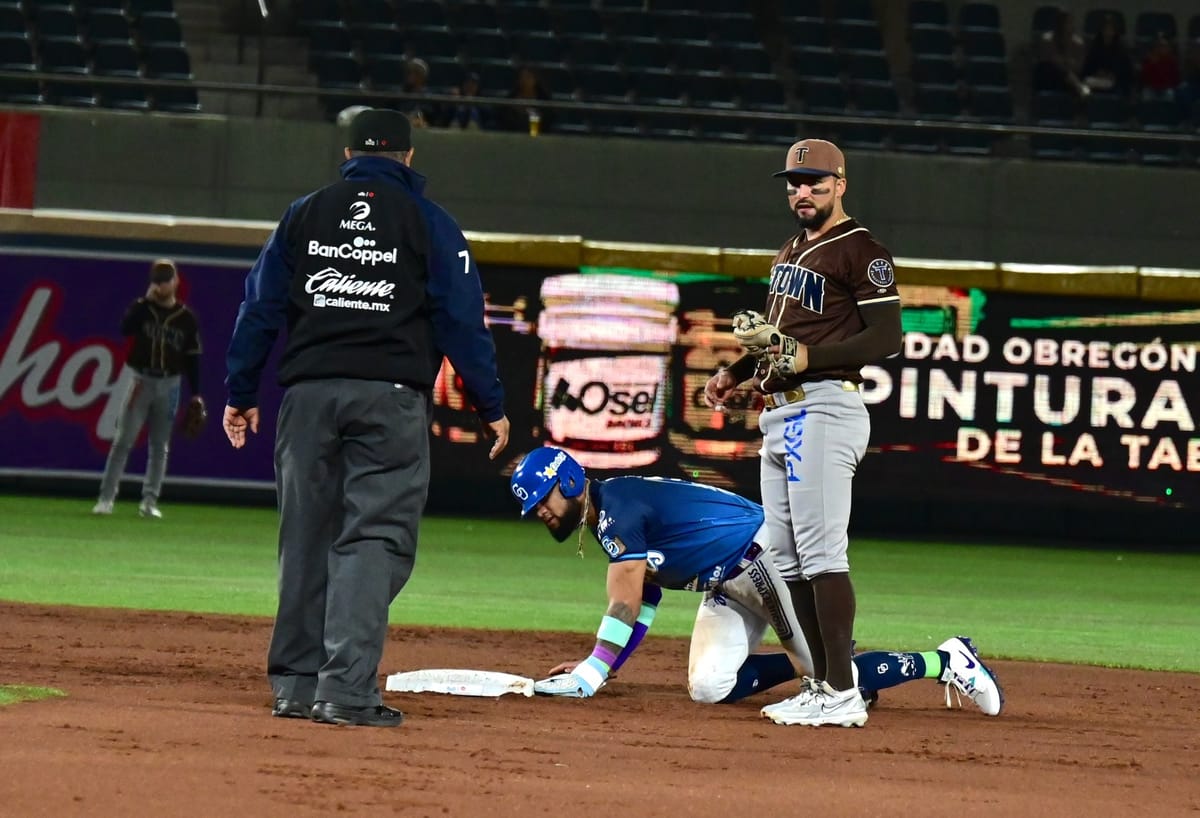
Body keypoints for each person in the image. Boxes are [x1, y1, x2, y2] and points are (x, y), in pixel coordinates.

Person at [223, 108, 510, 728]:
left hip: (307, 398)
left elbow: (260, 307)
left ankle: (296, 686)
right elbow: (462, 321)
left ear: (348, 155)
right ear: (409, 157)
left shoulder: (304, 213)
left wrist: (241, 389)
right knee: (373, 539)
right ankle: (346, 692)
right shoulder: (431, 222)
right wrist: (489, 403)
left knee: (305, 538)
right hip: (390, 400)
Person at [511, 447, 1003, 727]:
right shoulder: (608, 515)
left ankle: (947, 660)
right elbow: (645, 598)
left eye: (542, 499)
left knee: (833, 684)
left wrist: (591, 673)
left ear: (568, 482)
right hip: (726, 582)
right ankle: (815, 660)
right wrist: (604, 664)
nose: (540, 512)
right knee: (709, 688)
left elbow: (623, 603)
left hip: (762, 559)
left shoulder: (618, 511)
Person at [703, 139, 902, 726]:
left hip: (825, 408)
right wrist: (739, 371)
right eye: (795, 182)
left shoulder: (861, 250)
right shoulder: (791, 249)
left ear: (841, 185)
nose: (803, 191)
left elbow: (886, 336)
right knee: (787, 560)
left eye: (816, 182)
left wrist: (808, 358)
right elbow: (782, 339)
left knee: (820, 555)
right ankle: (821, 683)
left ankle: (842, 690)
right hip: (782, 412)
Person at [92, 259, 203, 520]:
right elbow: (125, 329)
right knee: (123, 441)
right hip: (141, 380)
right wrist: (143, 302)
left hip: (170, 383)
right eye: (158, 280)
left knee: (160, 445)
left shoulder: (186, 318)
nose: (162, 285)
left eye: (166, 280)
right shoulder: (142, 309)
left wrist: (195, 392)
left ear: (175, 281)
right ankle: (106, 499)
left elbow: (192, 356)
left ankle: (149, 502)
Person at [1033, 9, 1089, 97]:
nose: (1070, 26)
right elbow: (1051, 62)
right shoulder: (1047, 40)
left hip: (1067, 82)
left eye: (1071, 23)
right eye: (1067, 23)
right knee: (1048, 67)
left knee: (1067, 74)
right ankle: (1077, 85)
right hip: (1049, 79)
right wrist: (1068, 63)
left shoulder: (1078, 44)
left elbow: (1079, 67)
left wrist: (1065, 62)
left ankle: (1075, 84)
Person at [1081, 13, 1135, 97]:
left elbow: (1127, 71)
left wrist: (1112, 74)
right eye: (1105, 29)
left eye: (1110, 29)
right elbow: (1087, 68)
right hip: (1096, 81)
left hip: (1115, 83)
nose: (1108, 32)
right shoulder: (1095, 47)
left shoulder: (1121, 49)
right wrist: (1097, 72)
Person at [494, 65, 552, 135]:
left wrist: (535, 114)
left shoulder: (543, 99)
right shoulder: (511, 98)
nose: (524, 81)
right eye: (522, 77)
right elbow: (502, 117)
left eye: (528, 77)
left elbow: (548, 118)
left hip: (536, 135)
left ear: (535, 79)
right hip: (513, 135)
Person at [1140, 33, 1181, 101]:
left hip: (1166, 88)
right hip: (1151, 88)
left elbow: (1175, 78)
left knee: (1170, 94)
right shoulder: (1149, 60)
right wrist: (1153, 63)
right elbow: (1145, 78)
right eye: (1160, 46)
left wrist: (1170, 85)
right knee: (1146, 95)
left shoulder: (1171, 60)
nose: (1162, 48)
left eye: (1165, 46)